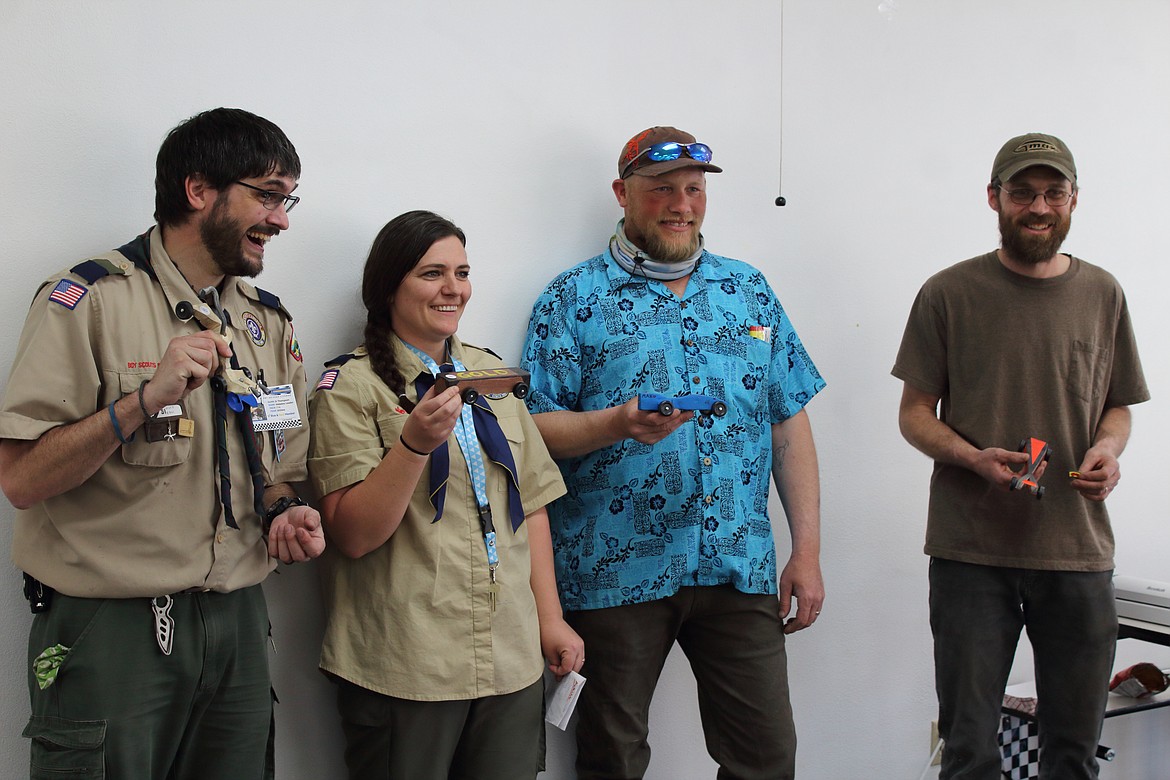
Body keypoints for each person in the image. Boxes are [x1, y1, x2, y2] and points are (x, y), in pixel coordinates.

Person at [0, 107, 324, 779]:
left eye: (287, 198)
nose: (283, 218)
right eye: (266, 195)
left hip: (237, 620)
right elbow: (22, 480)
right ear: (199, 190)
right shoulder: (89, 301)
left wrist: (285, 511)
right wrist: (143, 400)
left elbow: (280, 464)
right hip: (113, 630)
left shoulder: (266, 322)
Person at [521, 126, 827, 780]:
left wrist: (805, 550)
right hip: (614, 572)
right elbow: (534, 430)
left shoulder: (749, 292)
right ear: (622, 194)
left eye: (693, 188)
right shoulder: (571, 299)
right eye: (662, 189)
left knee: (767, 758)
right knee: (613, 760)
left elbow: (787, 425)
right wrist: (616, 425)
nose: (681, 203)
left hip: (738, 565)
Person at [893, 133, 1149, 779]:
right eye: (1023, 193)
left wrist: (1108, 449)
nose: (1039, 206)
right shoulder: (948, 293)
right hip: (971, 555)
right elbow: (914, 414)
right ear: (994, 198)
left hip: (1077, 551)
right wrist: (973, 458)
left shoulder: (1103, 293)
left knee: (1073, 751)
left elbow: (1118, 405)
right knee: (970, 748)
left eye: (1053, 193)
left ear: (1073, 200)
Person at [306, 209, 583, 780]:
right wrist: (412, 445)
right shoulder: (350, 388)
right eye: (432, 273)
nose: (453, 288)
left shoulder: (490, 375)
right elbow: (353, 535)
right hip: (408, 660)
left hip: (509, 655)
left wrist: (549, 620)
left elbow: (528, 503)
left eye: (461, 271)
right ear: (388, 287)